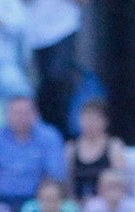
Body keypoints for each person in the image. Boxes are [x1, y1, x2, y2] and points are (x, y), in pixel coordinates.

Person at [0, 93, 65, 212]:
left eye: (25, 113)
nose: (20, 117)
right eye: (16, 113)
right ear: (6, 115)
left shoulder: (49, 137)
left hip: (37, 203)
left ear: (35, 114)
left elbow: (55, 174)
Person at [25, 0, 80, 135]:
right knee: (43, 86)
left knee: (58, 78)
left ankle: (65, 133)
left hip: (64, 28)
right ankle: (47, 132)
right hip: (37, 35)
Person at [65, 97, 126, 201]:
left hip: (106, 204)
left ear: (105, 122)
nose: (89, 124)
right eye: (86, 119)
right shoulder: (71, 148)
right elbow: (67, 183)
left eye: (94, 119)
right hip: (77, 205)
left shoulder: (114, 146)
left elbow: (121, 180)